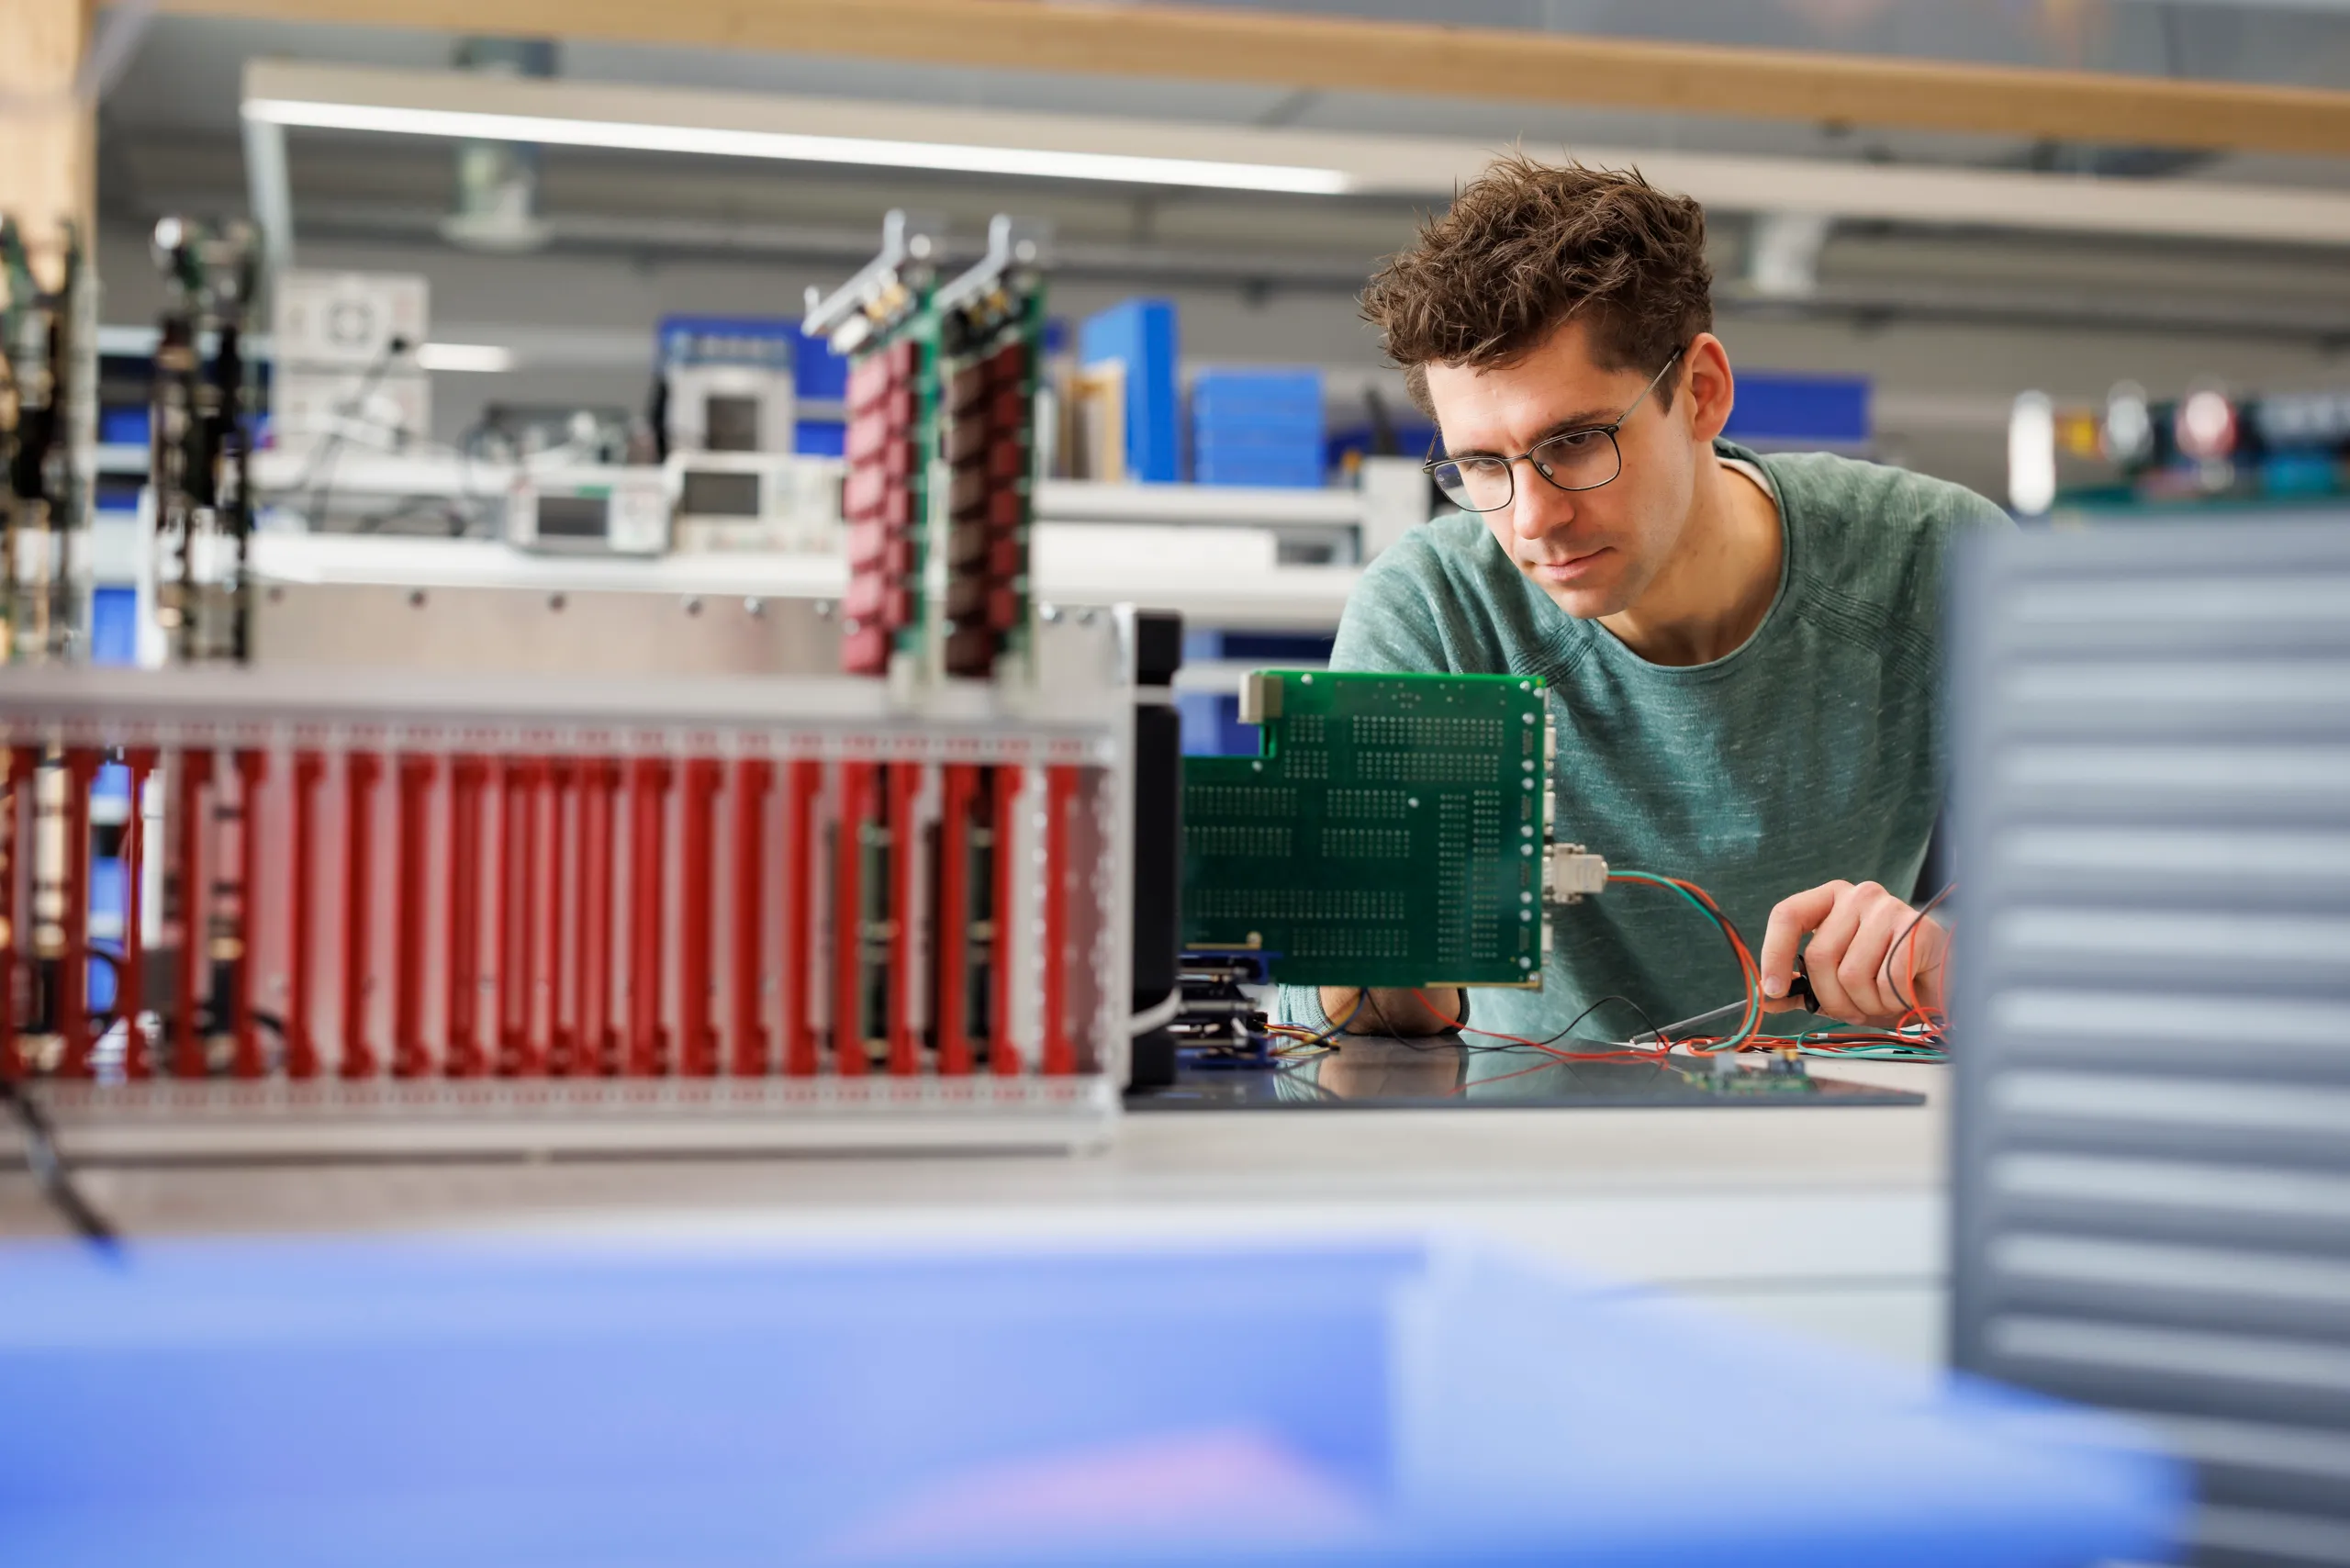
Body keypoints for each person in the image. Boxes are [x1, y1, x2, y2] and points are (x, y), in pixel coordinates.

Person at [1295, 154, 2008, 1043]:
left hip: (1846, 1153)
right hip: (1525, 1157)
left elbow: (2133, 905)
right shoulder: (1434, 613)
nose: (1532, 519)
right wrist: (1378, 947)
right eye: (1481, 465)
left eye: (1578, 442)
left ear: (1700, 391)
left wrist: (1952, 954)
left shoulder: (1935, 565)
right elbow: (1325, 1028)